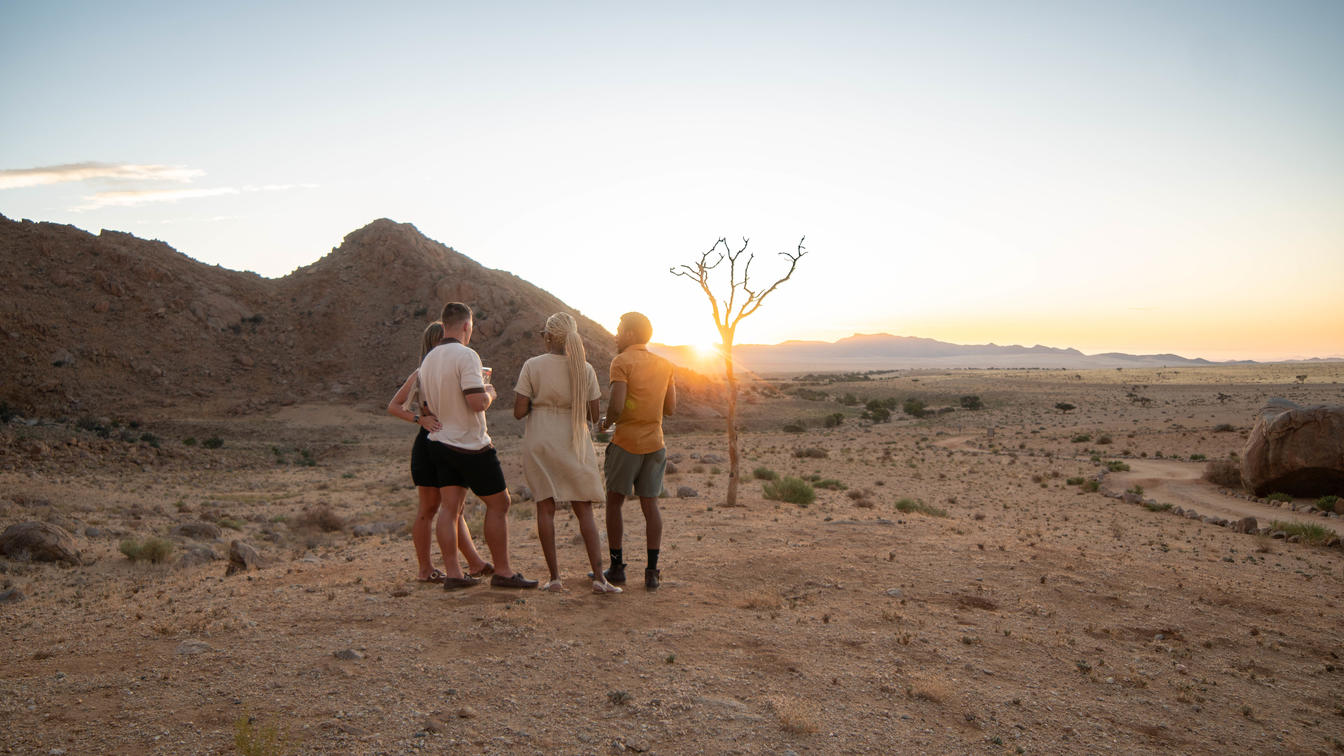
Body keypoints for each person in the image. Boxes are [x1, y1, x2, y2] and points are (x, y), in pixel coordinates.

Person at [419, 302, 538, 590]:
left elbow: (425, 406)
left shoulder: (429, 359)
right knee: (500, 503)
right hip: (470, 444)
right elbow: (476, 402)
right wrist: (490, 394)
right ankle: (503, 572)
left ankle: (454, 574)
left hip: (439, 441)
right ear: (466, 326)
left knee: (450, 509)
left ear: (443, 324)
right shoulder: (467, 355)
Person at [513, 312, 622, 594]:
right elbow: (593, 416)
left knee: (545, 507)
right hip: (574, 439)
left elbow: (518, 411)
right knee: (584, 508)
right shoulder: (585, 369)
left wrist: (540, 404)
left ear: (548, 337)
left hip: (540, 438)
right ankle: (600, 578)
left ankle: (555, 578)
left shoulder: (532, 365)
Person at [386, 321, 494, 584]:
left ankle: (475, 563)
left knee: (454, 507)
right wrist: (419, 419)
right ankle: (426, 569)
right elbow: (394, 405)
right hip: (429, 442)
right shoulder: (422, 372)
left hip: (450, 440)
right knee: (429, 508)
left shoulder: (449, 370)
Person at [598, 311, 676, 590]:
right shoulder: (665, 365)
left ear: (630, 334)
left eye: (619, 330)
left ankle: (616, 568)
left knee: (614, 503)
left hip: (626, 443)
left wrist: (606, 422)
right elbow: (670, 408)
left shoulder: (621, 362)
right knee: (650, 505)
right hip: (655, 443)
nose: (616, 335)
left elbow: (617, 405)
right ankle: (652, 572)